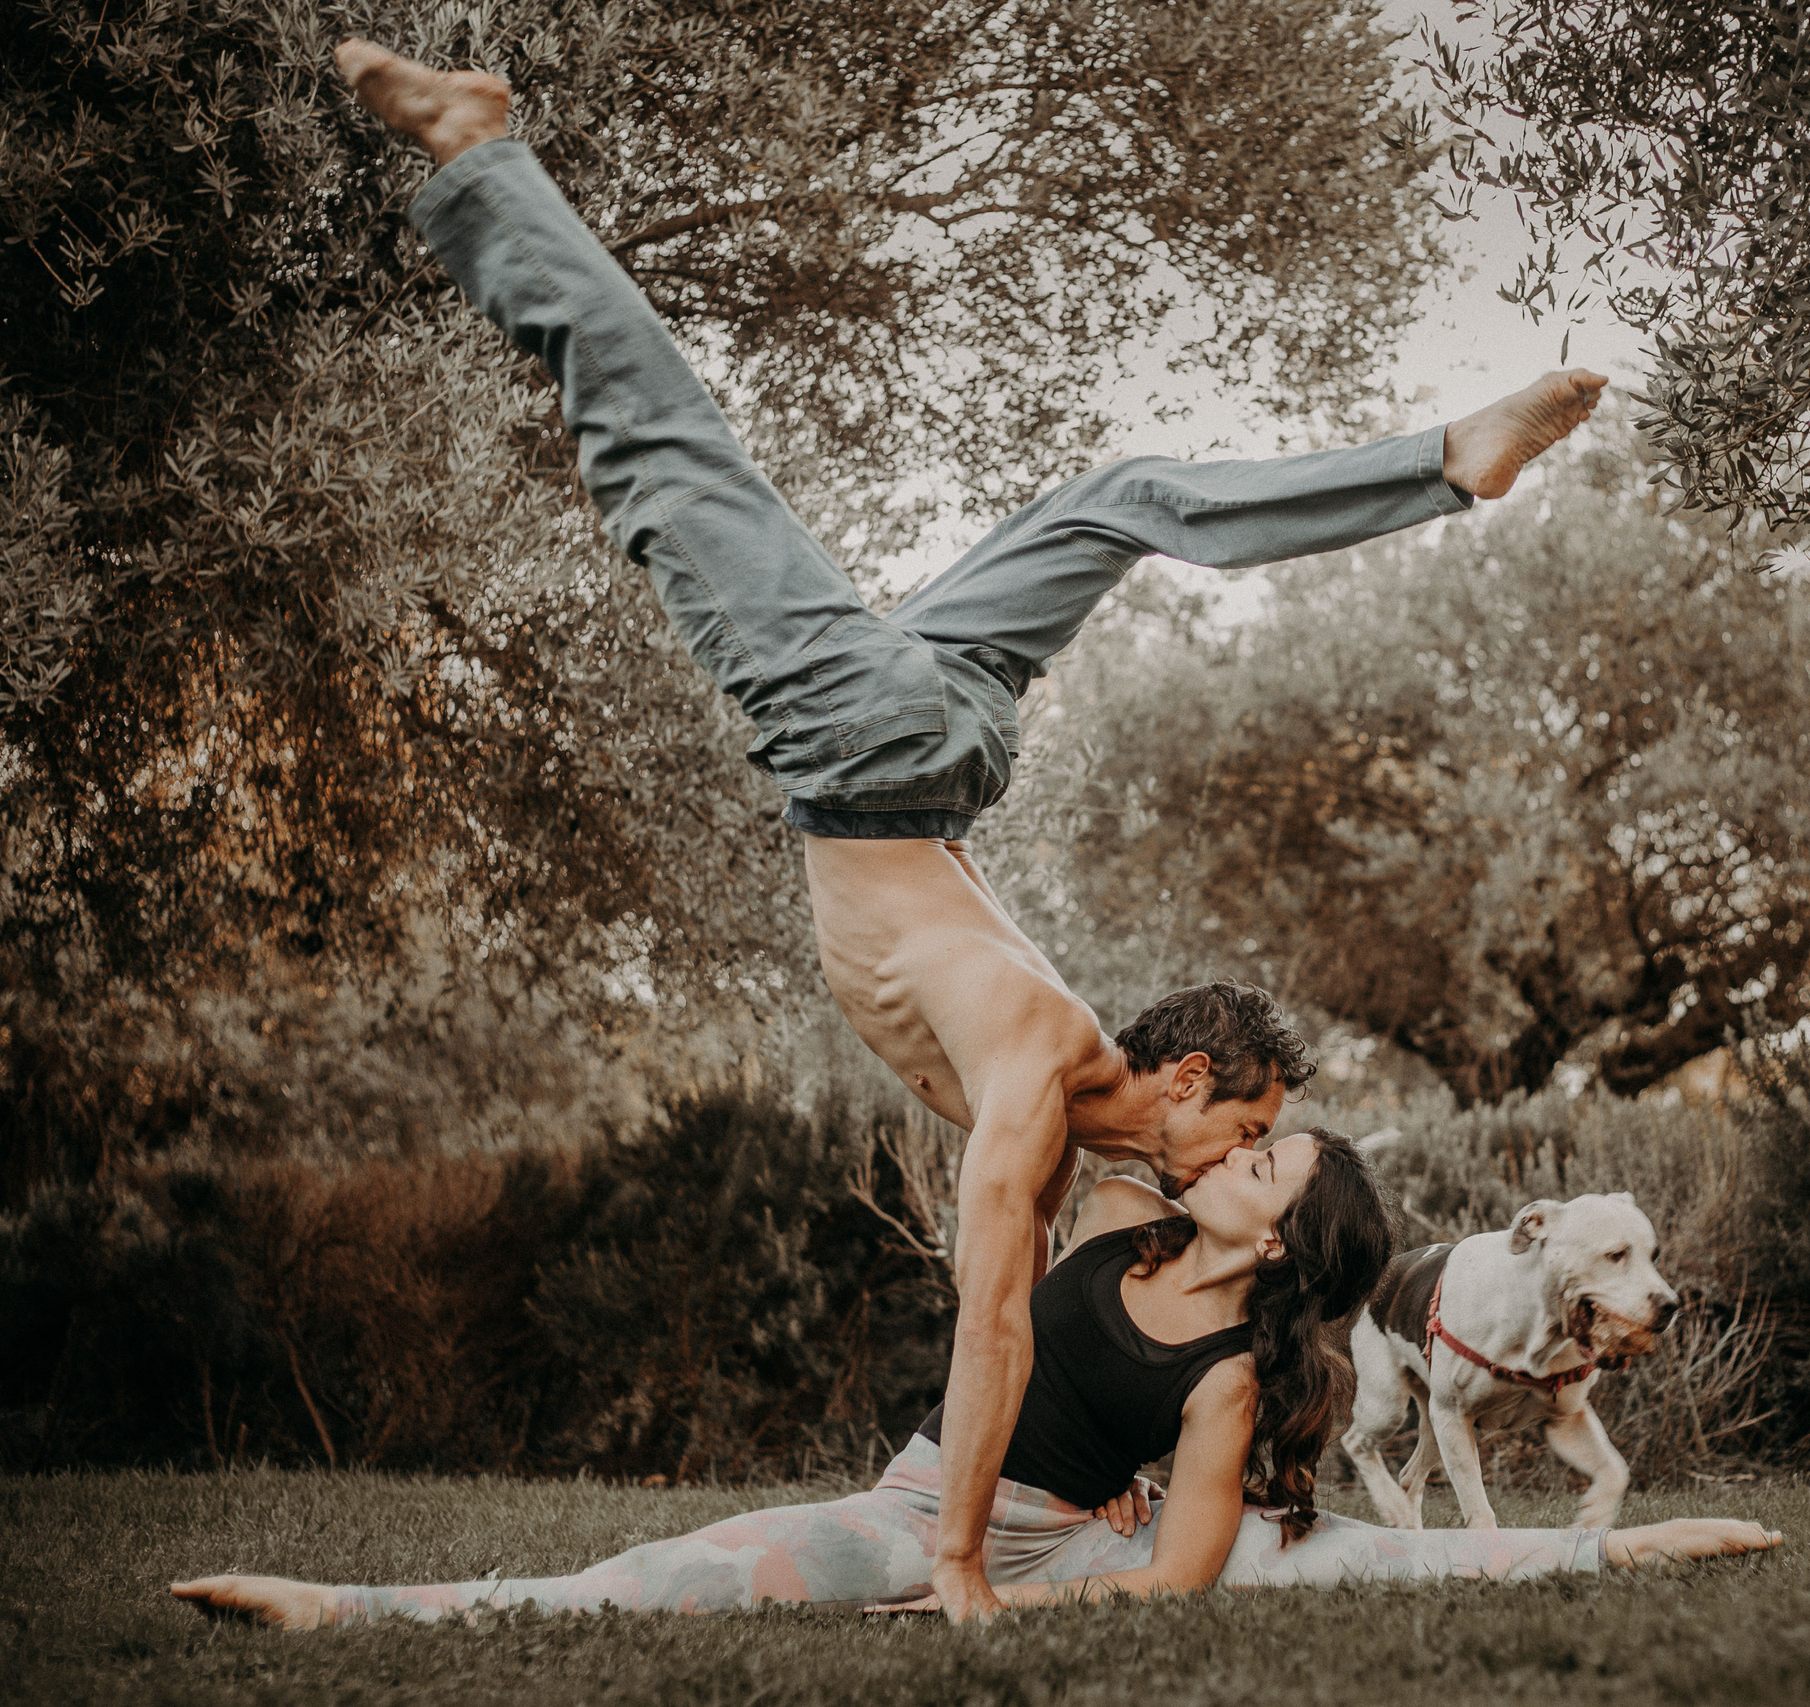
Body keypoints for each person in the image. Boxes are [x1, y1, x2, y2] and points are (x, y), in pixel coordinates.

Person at [330, 40, 1610, 1621]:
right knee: (661, 446)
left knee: (1128, 491)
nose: (1227, 1160)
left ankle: (1437, 465)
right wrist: (954, 1565)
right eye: (1242, 1133)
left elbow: (1182, 1288)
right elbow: (993, 1327)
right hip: (868, 742)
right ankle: (480, 151)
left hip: (946, 728)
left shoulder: (1093, 1083)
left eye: (1249, 1151)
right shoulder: (1036, 1064)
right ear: (1189, 1083)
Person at [173, 1131, 1780, 1627]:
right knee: (652, 1575)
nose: (1234, 1149)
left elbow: (1167, 1588)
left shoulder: (1231, 1375)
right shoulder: (1130, 1219)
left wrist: (998, 1601)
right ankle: (348, 1606)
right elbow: (1065, 1091)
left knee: (1366, 1552)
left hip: (1046, 1543)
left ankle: (1615, 1543)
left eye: (1269, 1158)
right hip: (911, 1506)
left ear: (1283, 1230)